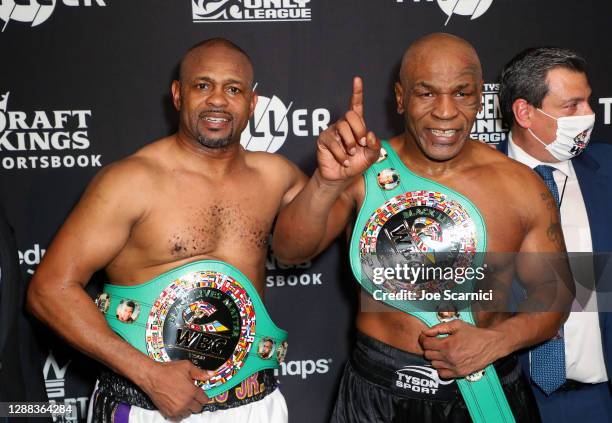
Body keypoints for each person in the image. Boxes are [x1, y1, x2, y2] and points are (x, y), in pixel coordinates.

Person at [272, 33, 574, 422]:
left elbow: (556, 292)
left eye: (462, 93)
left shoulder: (520, 184)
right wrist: (327, 183)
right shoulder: (364, 170)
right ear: (400, 98)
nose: (445, 112)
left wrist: (496, 342)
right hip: (378, 394)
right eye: (426, 94)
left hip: (483, 390)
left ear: (480, 97)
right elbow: (288, 251)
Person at [27, 37, 306, 422]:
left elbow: (307, 243)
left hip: (253, 402)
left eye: (233, 89)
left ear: (251, 104)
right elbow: (48, 290)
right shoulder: (130, 181)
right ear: (178, 94)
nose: (218, 101)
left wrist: (333, 181)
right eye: (202, 85)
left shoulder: (277, 175)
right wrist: (150, 376)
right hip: (147, 403)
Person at [498, 47, 612, 422]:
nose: (589, 115)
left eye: (589, 101)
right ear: (525, 112)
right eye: (572, 105)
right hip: (505, 400)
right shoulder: (474, 183)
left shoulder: (607, 172)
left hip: (597, 401)